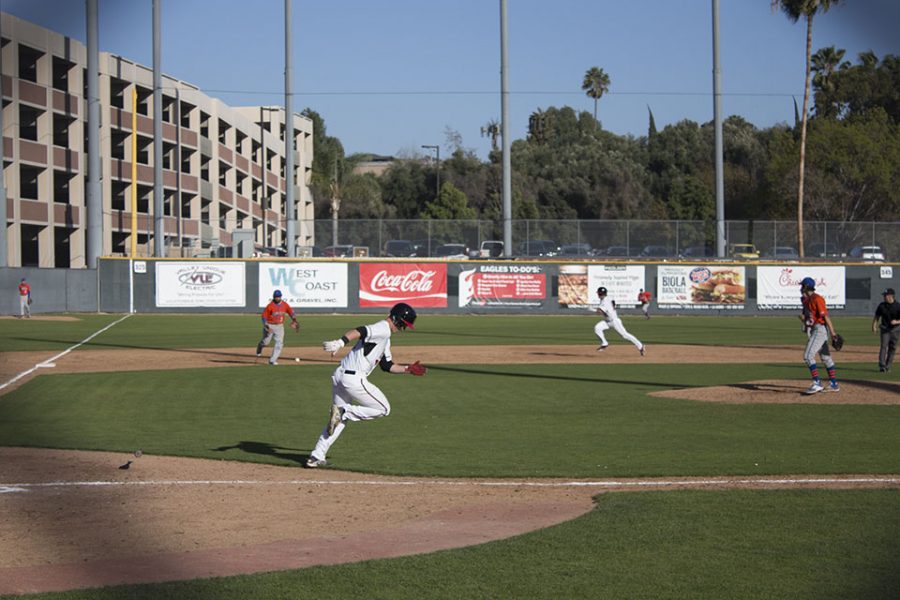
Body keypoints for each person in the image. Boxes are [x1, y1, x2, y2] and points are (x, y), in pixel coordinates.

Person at [306, 302, 423, 468]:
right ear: (397, 319)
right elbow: (361, 330)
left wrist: (407, 369)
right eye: (403, 325)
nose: (403, 328)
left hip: (340, 376)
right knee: (383, 409)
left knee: (337, 421)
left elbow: (387, 366)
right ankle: (345, 411)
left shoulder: (386, 338)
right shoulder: (382, 328)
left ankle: (316, 455)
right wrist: (341, 342)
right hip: (353, 379)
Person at [799, 277, 839, 394]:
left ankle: (817, 382)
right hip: (814, 330)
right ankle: (834, 384)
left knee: (808, 356)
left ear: (806, 287)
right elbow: (806, 317)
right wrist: (804, 321)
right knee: (825, 358)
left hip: (820, 330)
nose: (801, 288)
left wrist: (833, 334)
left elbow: (826, 317)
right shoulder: (806, 300)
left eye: (802, 286)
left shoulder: (817, 299)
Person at [594, 287, 645, 355]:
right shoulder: (608, 298)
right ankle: (604, 343)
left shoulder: (604, 301)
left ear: (601, 293)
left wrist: (593, 309)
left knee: (625, 335)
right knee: (597, 328)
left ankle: (640, 346)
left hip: (614, 321)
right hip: (607, 321)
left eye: (598, 293)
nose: (598, 294)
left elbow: (599, 311)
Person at [256, 289, 298, 365]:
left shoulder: (285, 305)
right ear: (274, 297)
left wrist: (294, 320)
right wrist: (266, 326)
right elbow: (264, 316)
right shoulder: (270, 306)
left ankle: (272, 360)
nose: (277, 298)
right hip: (270, 325)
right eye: (276, 297)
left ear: (281, 297)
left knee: (279, 343)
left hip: (279, 326)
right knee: (266, 342)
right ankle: (260, 346)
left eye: (279, 297)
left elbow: (291, 312)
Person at [872, 287, 900, 373]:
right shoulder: (881, 306)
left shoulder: (898, 306)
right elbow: (877, 316)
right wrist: (874, 325)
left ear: (891, 296)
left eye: (886, 295)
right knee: (883, 347)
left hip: (896, 329)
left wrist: (896, 321)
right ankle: (882, 366)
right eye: (884, 295)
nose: (884, 297)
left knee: (892, 348)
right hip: (884, 329)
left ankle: (888, 366)